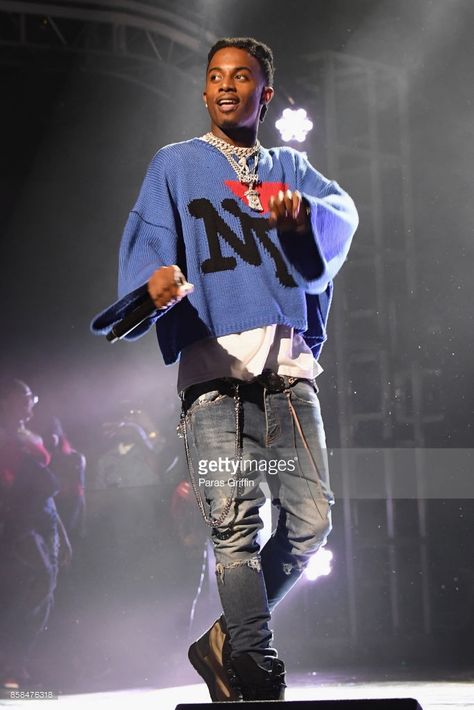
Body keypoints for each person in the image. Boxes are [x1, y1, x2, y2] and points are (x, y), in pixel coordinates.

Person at [92, 37, 358, 701]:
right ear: (205, 91)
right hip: (213, 374)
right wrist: (150, 289)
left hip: (287, 373)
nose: (227, 86)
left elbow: (343, 219)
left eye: (243, 77)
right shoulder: (177, 165)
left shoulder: (290, 169)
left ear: (266, 93)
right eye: (215, 77)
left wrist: (305, 226)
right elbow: (150, 245)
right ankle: (254, 666)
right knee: (234, 527)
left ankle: (220, 642)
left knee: (311, 523)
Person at [0, 379, 72, 688]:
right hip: (20, 518)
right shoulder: (4, 433)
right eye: (28, 397)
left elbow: (46, 484)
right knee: (34, 582)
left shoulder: (28, 433)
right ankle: (12, 664)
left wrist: (63, 533)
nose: (32, 403)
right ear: (11, 399)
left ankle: (19, 665)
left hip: (46, 516)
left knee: (48, 585)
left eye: (33, 396)